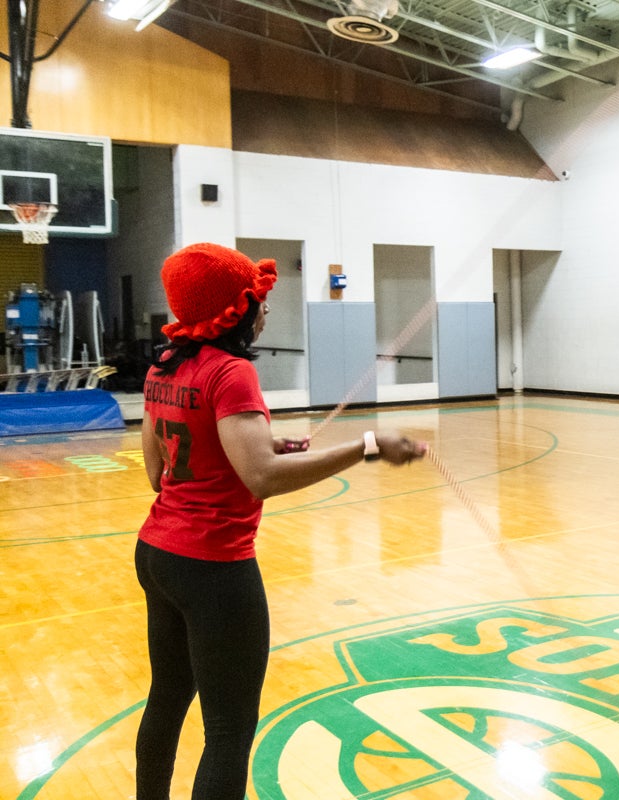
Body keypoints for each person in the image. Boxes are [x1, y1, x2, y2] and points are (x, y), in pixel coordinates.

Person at [135, 243, 427, 800]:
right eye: (258, 300)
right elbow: (262, 477)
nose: (265, 310)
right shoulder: (232, 372)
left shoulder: (164, 367)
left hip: (157, 553)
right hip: (213, 569)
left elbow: (157, 471)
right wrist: (366, 446)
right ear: (233, 309)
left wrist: (257, 443)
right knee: (228, 731)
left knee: (167, 699)